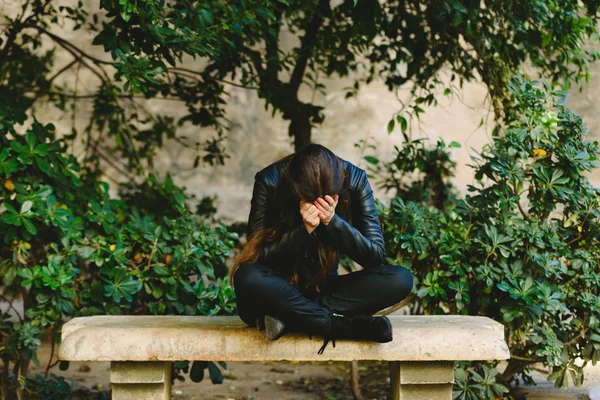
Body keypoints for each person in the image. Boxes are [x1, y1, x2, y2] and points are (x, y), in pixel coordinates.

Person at [229, 143, 414, 354]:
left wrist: (333, 222)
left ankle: (292, 318)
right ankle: (339, 326)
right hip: (277, 291)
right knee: (247, 277)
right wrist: (303, 230)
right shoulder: (269, 180)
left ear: (338, 191)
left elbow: (374, 257)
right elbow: (256, 259)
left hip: (323, 291)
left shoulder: (355, 179)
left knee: (400, 278)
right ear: (294, 189)